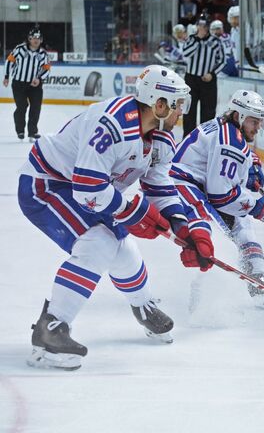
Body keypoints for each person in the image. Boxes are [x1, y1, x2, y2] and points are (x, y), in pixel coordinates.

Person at [17, 65, 208, 370]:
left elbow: (157, 181)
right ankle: (51, 326)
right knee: (98, 241)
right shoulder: (113, 124)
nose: (180, 113)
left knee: (121, 245)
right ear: (159, 105)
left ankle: (143, 306)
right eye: (177, 106)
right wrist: (135, 212)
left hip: (84, 188)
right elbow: (87, 188)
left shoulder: (161, 136)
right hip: (47, 184)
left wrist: (180, 223)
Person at [171, 89, 264, 302]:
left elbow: (222, 163)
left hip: (197, 185)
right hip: (183, 186)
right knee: (219, 237)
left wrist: (250, 161)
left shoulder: (226, 127)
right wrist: (263, 207)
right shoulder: (231, 141)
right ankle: (205, 300)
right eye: (254, 122)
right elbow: (221, 196)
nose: (258, 128)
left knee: (242, 224)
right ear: (239, 116)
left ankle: (258, 278)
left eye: (260, 122)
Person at [4, 26, 51, 141]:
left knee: (36, 108)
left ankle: (32, 132)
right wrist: (6, 76)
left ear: (41, 40)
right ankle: (20, 130)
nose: (36, 40)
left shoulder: (43, 54)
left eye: (38, 38)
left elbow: (47, 69)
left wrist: (39, 79)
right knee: (22, 106)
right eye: (33, 38)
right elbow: (9, 61)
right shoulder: (20, 49)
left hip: (35, 85)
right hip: (19, 84)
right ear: (29, 39)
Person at [182, 14, 226, 137]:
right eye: (200, 25)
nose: (202, 28)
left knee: (208, 113)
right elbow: (186, 54)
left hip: (208, 80)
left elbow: (222, 61)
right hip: (191, 79)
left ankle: (206, 139)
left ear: (208, 27)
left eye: (204, 26)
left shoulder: (216, 42)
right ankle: (188, 139)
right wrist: (198, 39)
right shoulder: (191, 39)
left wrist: (212, 74)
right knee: (189, 111)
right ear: (196, 26)